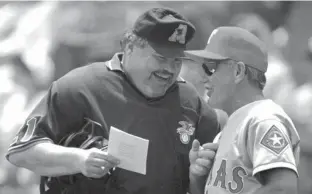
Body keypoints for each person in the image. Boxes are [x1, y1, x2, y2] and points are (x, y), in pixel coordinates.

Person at [6, 7, 220, 194]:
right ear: (130, 47)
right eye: (161, 58)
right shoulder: (81, 87)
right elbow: (21, 151)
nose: (169, 69)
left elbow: (206, 187)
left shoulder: (192, 103)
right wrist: (78, 160)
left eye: (177, 61)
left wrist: (197, 177)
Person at [184, 26, 300, 194]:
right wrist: (198, 178)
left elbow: (283, 190)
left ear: (238, 71)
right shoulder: (230, 127)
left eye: (210, 67)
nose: (203, 78)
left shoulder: (263, 119)